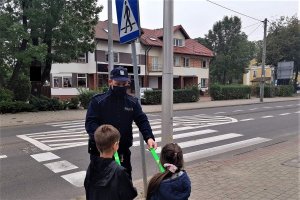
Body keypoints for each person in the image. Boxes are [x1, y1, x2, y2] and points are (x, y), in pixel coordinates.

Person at [85, 66, 157, 179]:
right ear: (110, 81)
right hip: (101, 153)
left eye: (124, 84)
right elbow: (90, 124)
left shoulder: (132, 102)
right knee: (100, 187)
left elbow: (142, 120)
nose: (121, 87)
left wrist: (149, 137)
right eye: (118, 84)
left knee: (124, 185)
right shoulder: (98, 101)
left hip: (122, 151)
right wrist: (106, 141)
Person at [84, 124, 137, 200]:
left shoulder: (91, 167)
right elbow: (129, 194)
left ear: (97, 145)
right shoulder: (120, 171)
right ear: (115, 145)